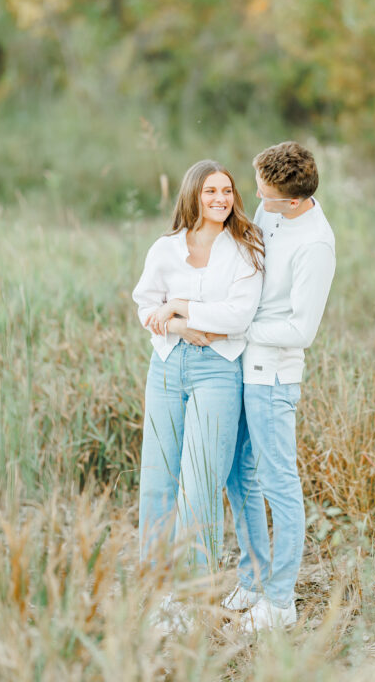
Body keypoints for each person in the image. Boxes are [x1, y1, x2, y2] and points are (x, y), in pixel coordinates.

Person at [221, 141, 337, 631]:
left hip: (273, 378)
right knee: (236, 474)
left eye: (263, 194)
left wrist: (238, 327)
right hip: (241, 367)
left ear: (292, 200)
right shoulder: (274, 212)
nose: (255, 197)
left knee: (279, 485)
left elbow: (301, 330)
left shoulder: (315, 244)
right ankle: (252, 581)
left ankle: (281, 601)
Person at [131, 160, 264, 573]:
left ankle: (192, 589)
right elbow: (144, 306)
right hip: (168, 365)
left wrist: (179, 307)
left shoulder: (245, 249)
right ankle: (156, 584)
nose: (220, 199)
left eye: (227, 191)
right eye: (211, 191)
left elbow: (237, 318)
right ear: (193, 194)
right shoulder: (165, 248)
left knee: (201, 481)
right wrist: (181, 327)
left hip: (219, 371)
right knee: (158, 476)